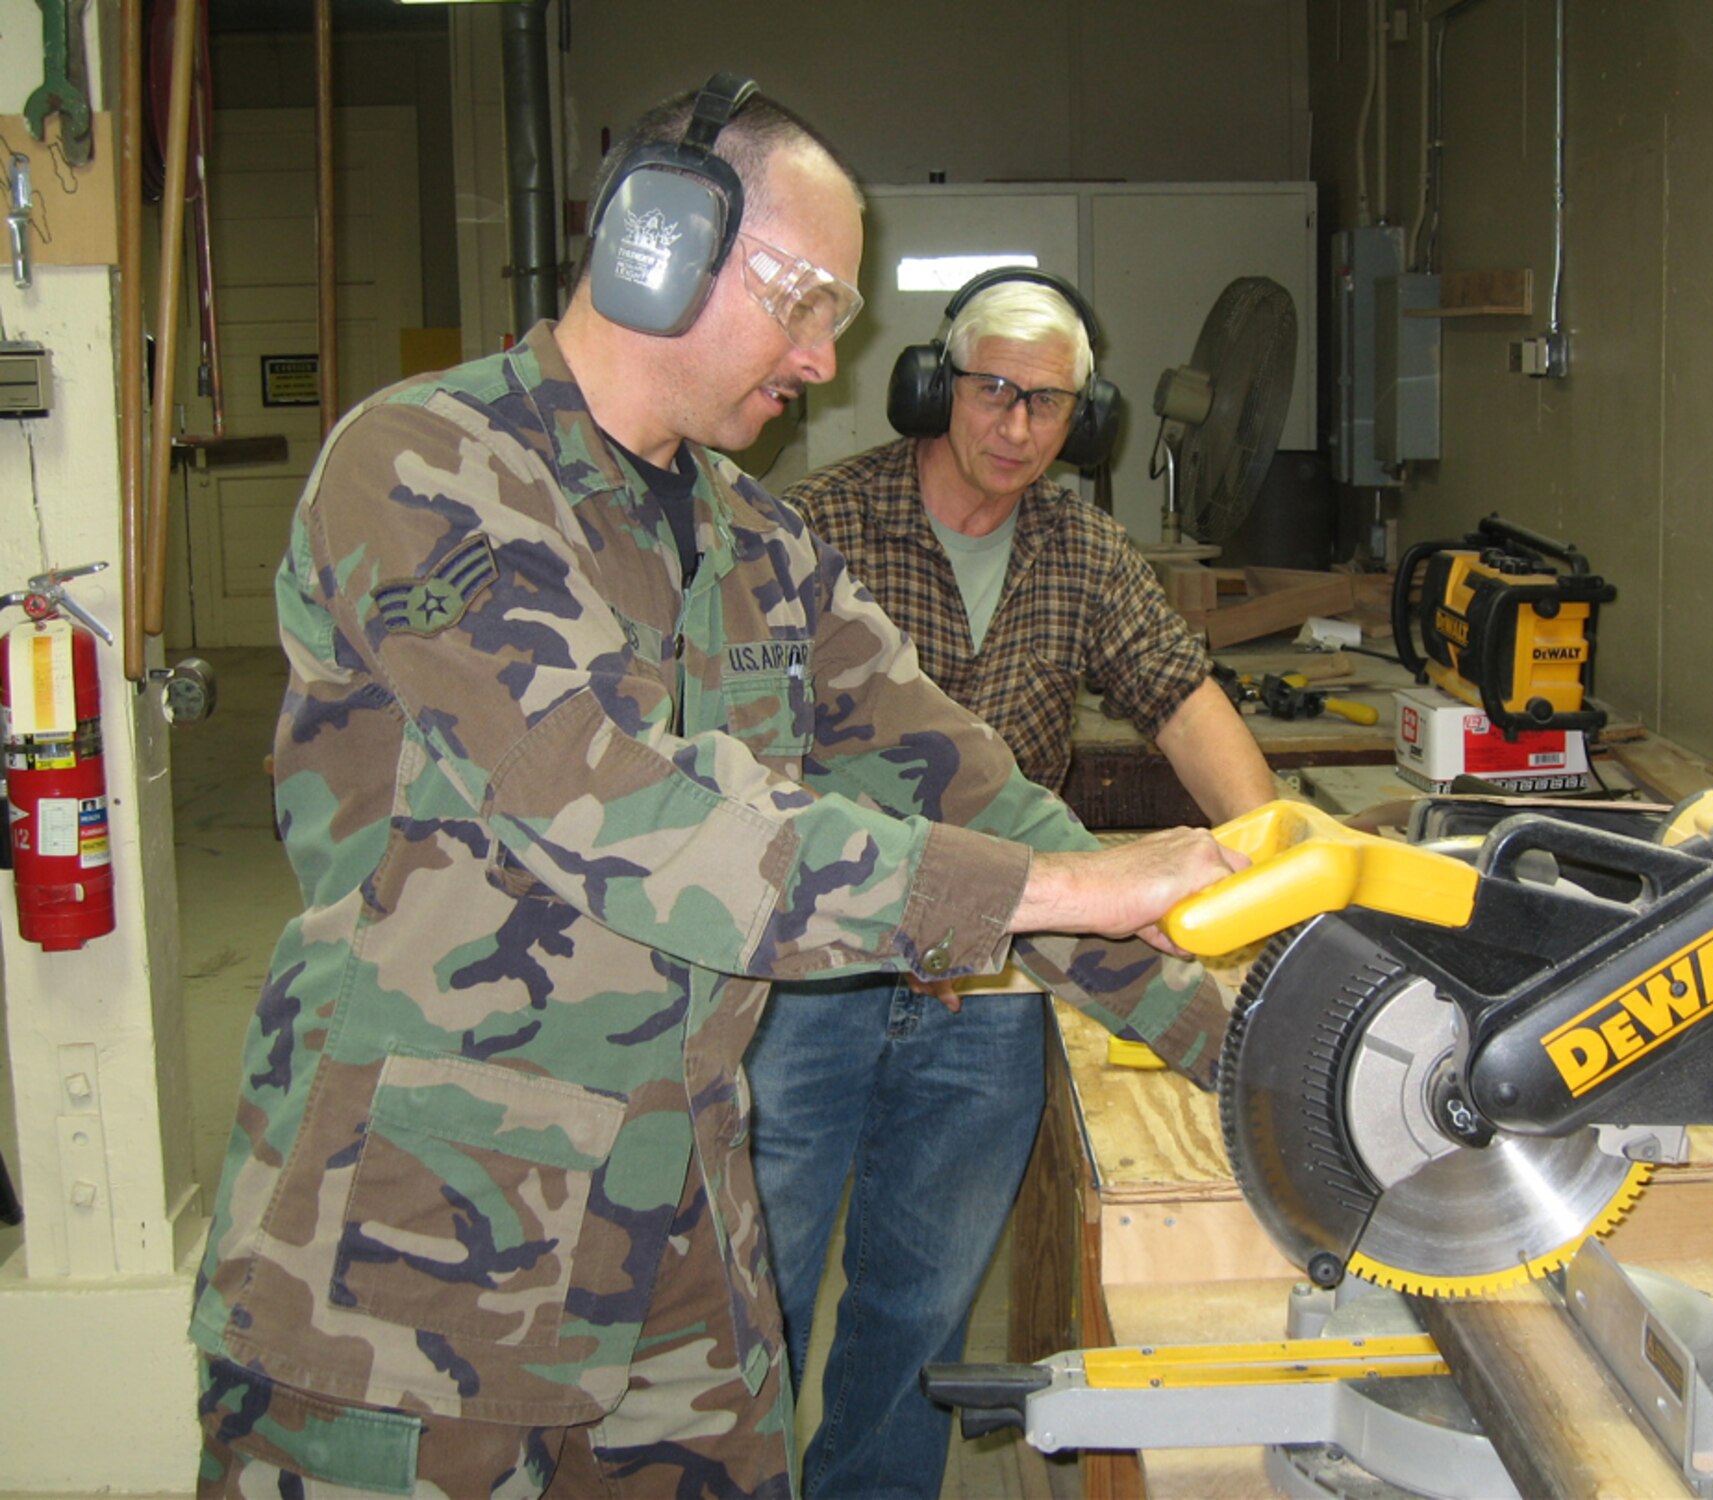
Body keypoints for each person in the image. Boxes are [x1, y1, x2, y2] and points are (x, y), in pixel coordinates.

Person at [188, 76, 1245, 1500]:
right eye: (803, 302)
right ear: (656, 246)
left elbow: (963, 781)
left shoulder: (756, 542)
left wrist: (1265, 1053)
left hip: (675, 1230)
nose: (822, 358)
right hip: (413, 1260)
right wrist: (1047, 890)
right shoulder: (427, 466)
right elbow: (621, 807)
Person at [745, 270, 1277, 1498]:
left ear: (1085, 419)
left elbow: (1177, 697)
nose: (1016, 426)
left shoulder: (1080, 548)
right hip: (821, 972)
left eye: (1049, 404)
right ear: (935, 387)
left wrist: (1274, 858)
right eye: (992, 391)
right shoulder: (818, 521)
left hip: (996, 978)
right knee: (754, 1289)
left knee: (918, 1302)